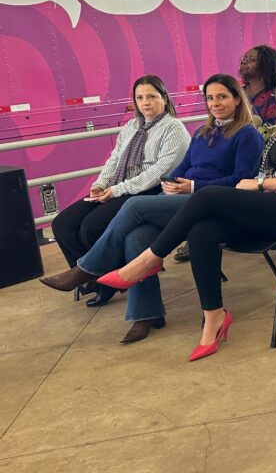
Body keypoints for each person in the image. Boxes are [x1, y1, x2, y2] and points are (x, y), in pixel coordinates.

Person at [97, 62, 276, 362]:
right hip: (273, 205)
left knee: (210, 195)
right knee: (203, 231)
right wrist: (268, 183)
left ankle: (151, 258)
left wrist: (265, 183)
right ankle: (213, 317)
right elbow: (263, 171)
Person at [40, 75, 263, 343]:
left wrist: (192, 186)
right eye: (210, 98)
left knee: (133, 205)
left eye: (222, 97)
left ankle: (88, 269)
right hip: (181, 197)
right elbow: (182, 167)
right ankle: (147, 314)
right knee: (137, 238)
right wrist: (171, 183)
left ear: (237, 99)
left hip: (214, 201)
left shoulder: (247, 135)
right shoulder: (203, 132)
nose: (215, 103)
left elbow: (241, 179)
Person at [50, 76, 191, 306]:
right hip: (119, 185)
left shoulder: (174, 129)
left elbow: (157, 173)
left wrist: (116, 190)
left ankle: (103, 282)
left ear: (165, 99)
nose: (145, 103)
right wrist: (100, 184)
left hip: (149, 190)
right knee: (62, 224)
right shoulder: (131, 126)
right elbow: (114, 160)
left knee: (91, 227)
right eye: (140, 98)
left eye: (152, 97)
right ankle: (95, 280)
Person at [239, 45, 276, 127]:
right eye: (245, 58)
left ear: (266, 66)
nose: (244, 62)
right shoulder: (237, 93)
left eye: (252, 60)